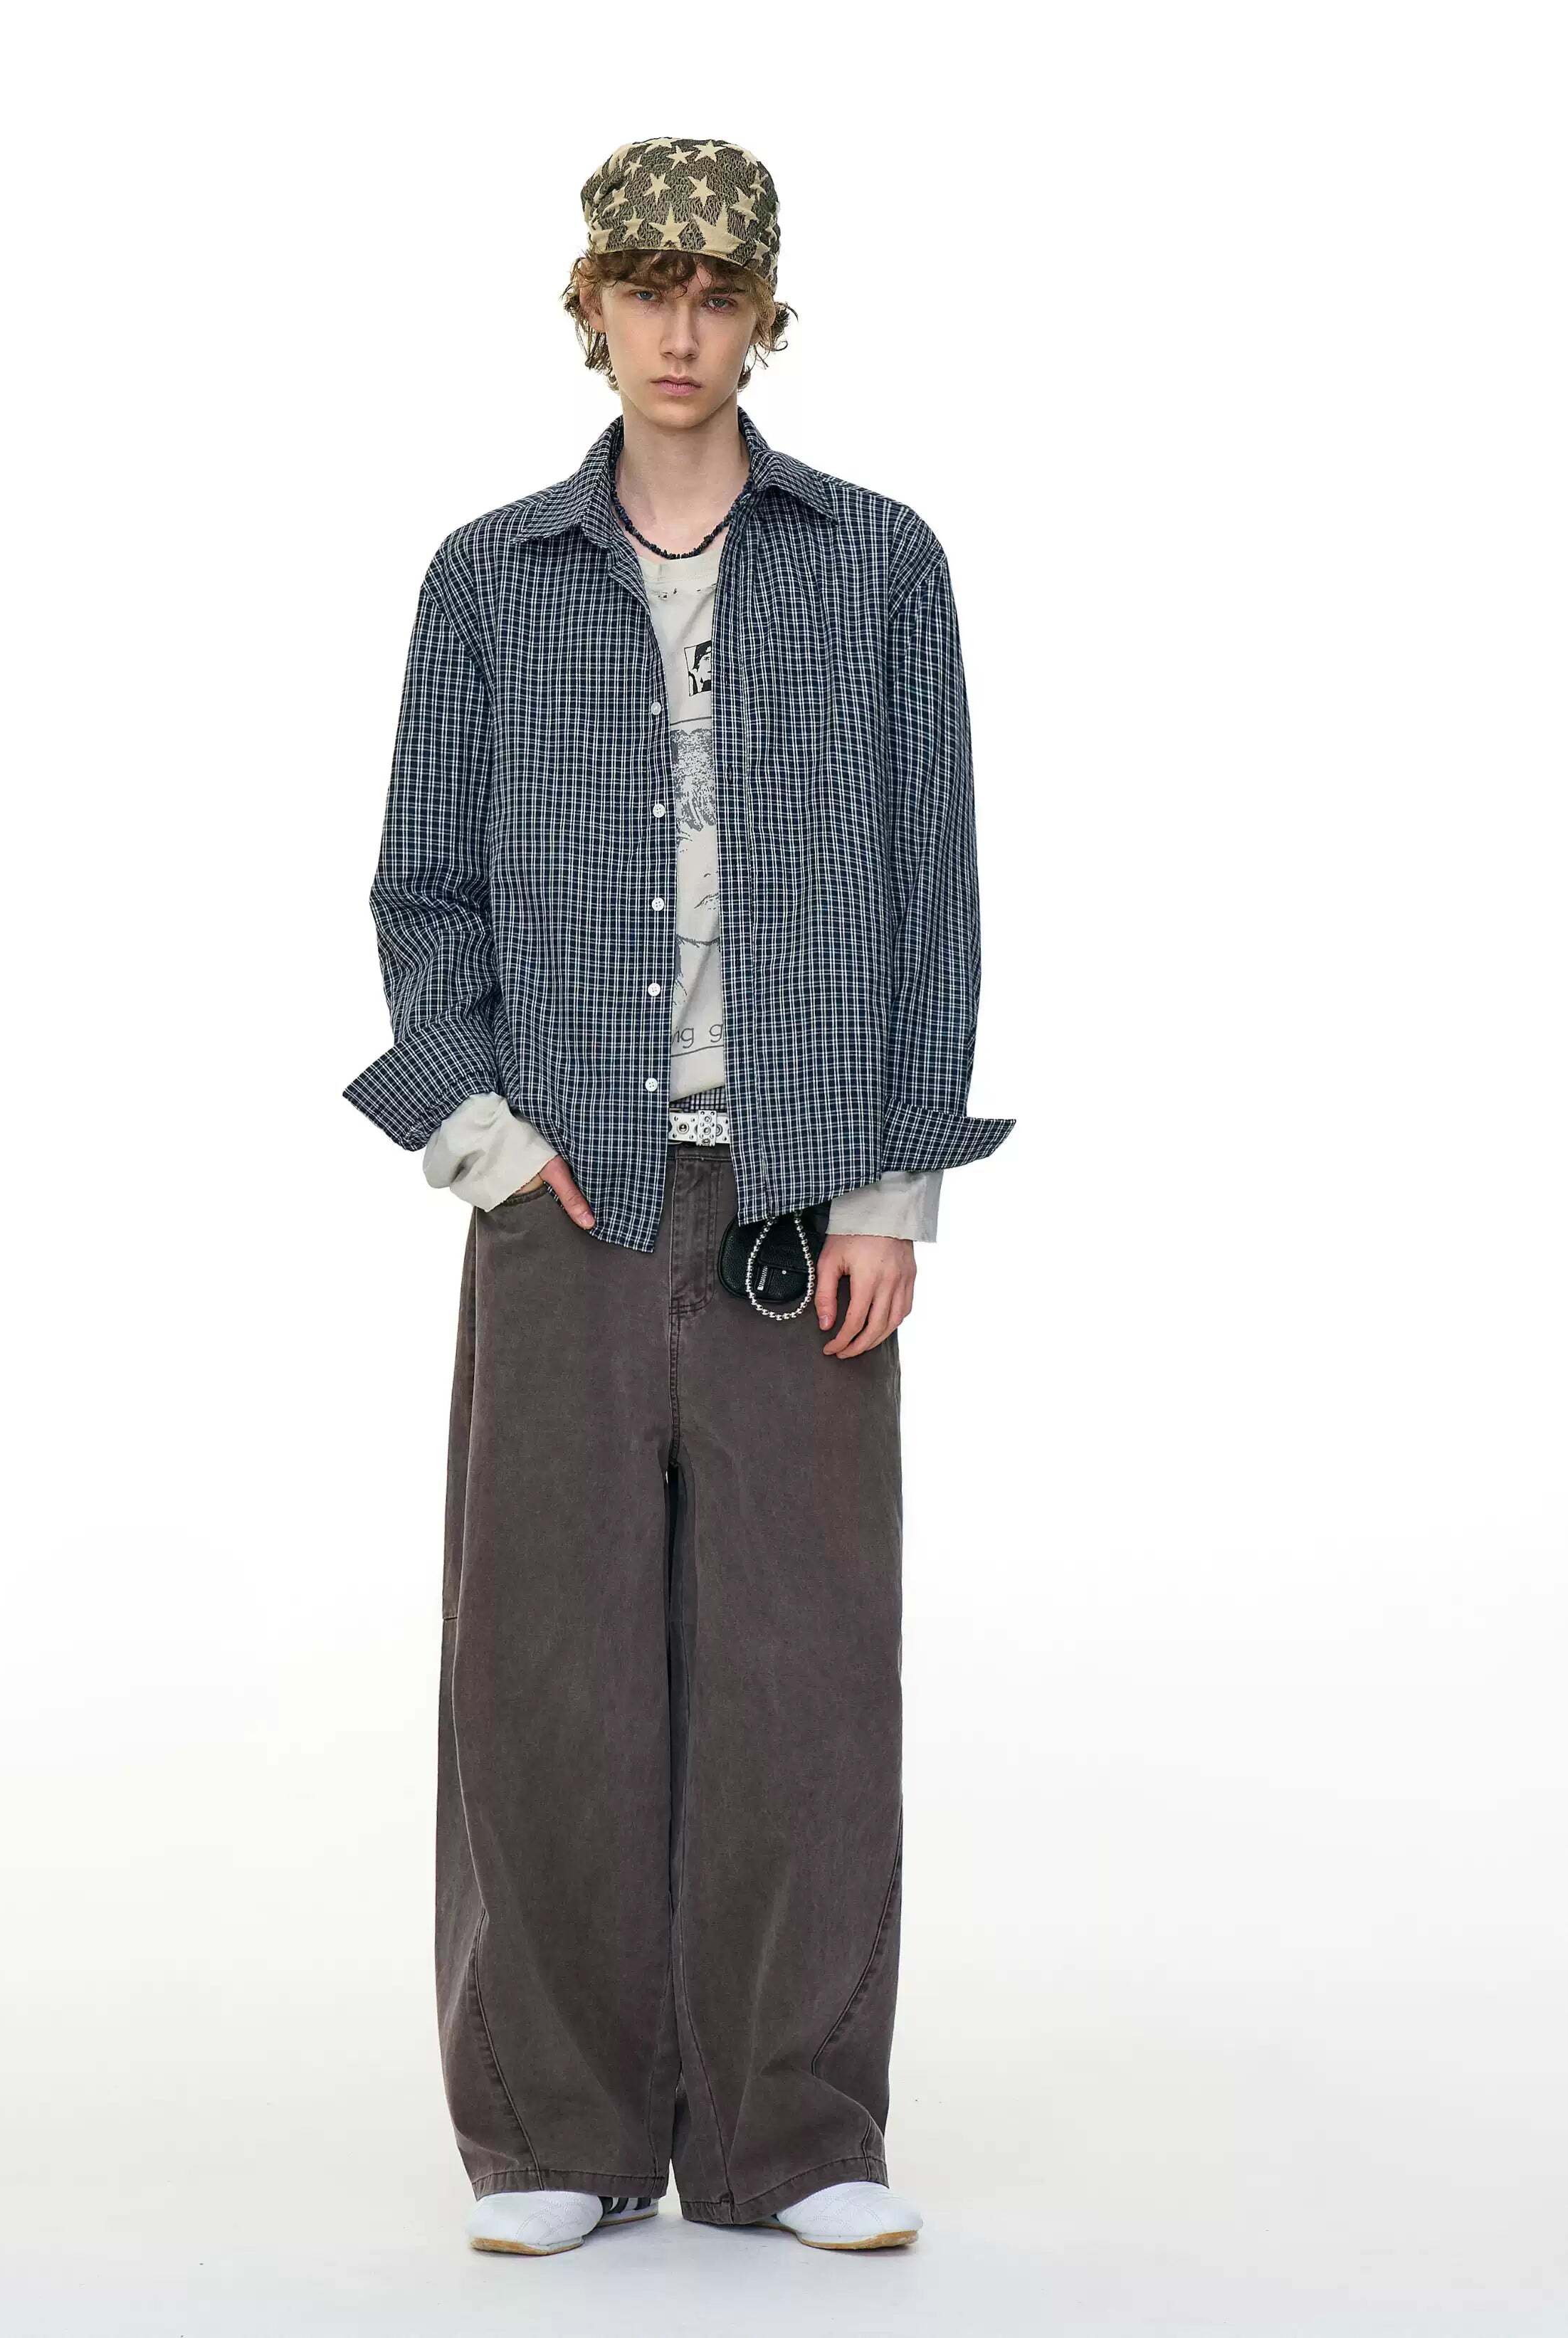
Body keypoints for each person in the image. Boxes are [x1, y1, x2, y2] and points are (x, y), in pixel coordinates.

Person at [344, 135, 1014, 2257]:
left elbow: (929, 898)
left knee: (804, 1672)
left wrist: (892, 1186)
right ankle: (554, 2131)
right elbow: (424, 890)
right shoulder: (486, 579)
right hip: (563, 1199)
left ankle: (792, 2134)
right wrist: (487, 1138)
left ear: (764, 314)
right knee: (541, 1669)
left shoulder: (878, 564)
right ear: (591, 305)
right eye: (645, 289)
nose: (680, 330)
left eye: (718, 295)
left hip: (798, 1199)